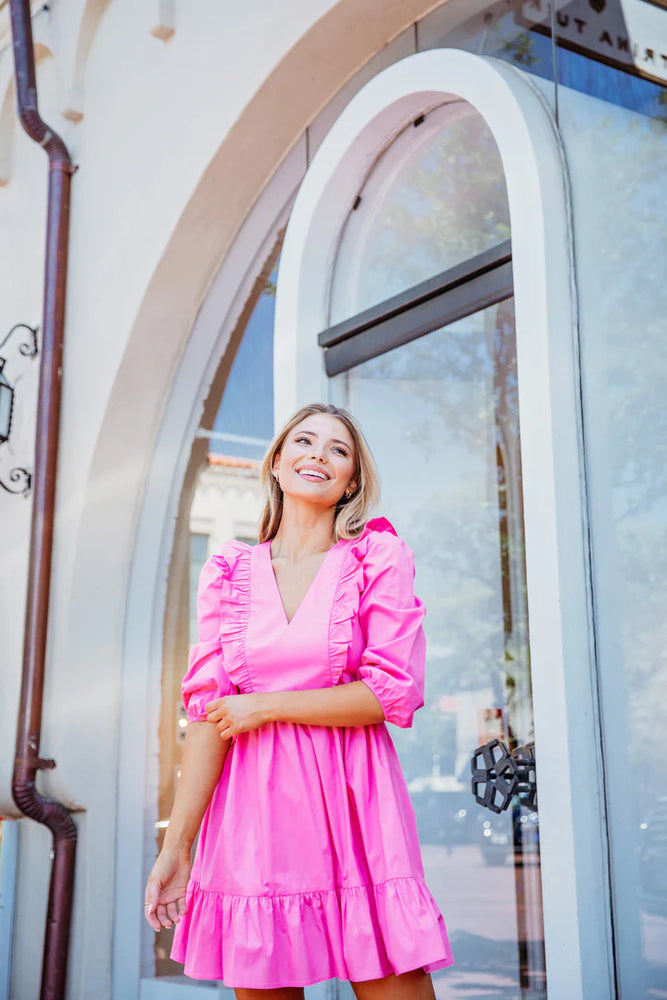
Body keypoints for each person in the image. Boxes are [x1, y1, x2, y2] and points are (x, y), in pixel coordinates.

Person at [144, 402, 454, 999]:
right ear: (278, 464)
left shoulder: (376, 558)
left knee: (396, 985)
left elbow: (391, 693)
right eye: (304, 442)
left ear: (352, 481)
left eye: (338, 450)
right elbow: (209, 718)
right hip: (253, 816)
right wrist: (177, 847)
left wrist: (264, 707)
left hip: (355, 803)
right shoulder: (227, 572)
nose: (318, 454)